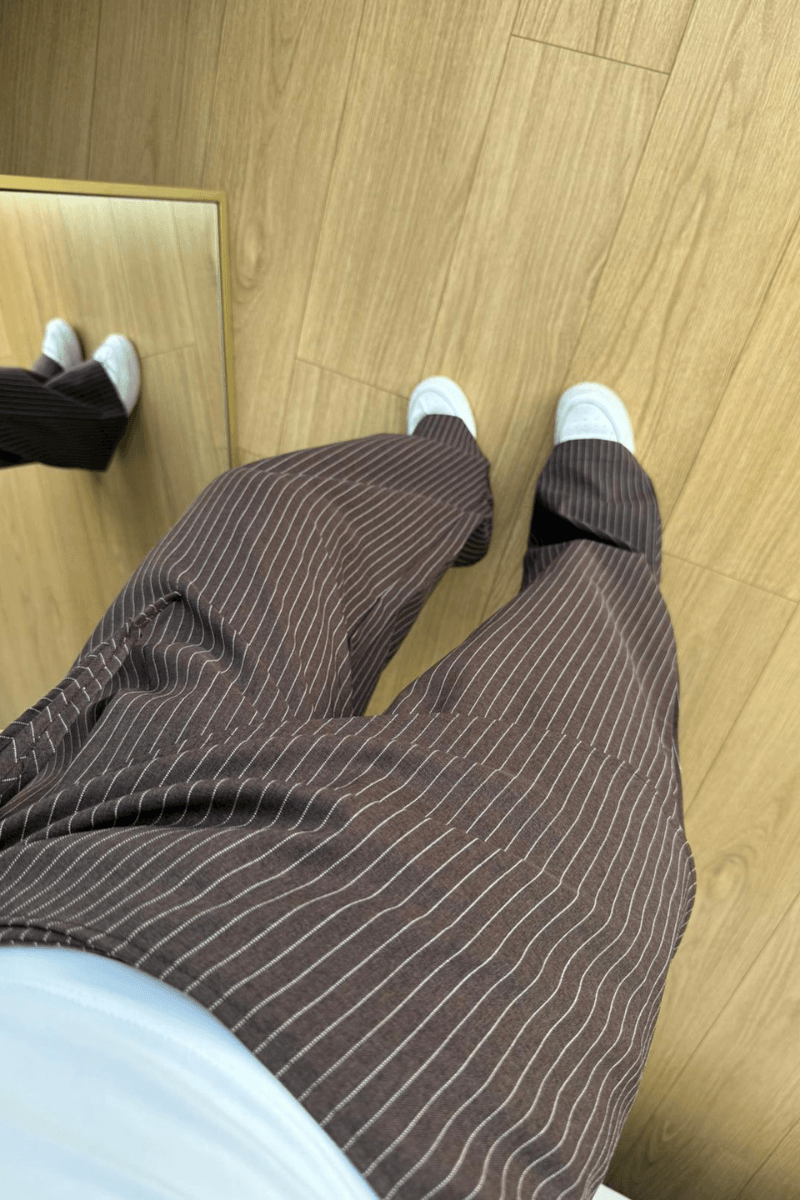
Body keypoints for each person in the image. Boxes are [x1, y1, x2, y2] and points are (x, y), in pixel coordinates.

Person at [0, 317, 696, 1200]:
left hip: (66, 881)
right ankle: (598, 535)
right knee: (588, 719)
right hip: (414, 1095)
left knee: (259, 519)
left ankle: (443, 479)